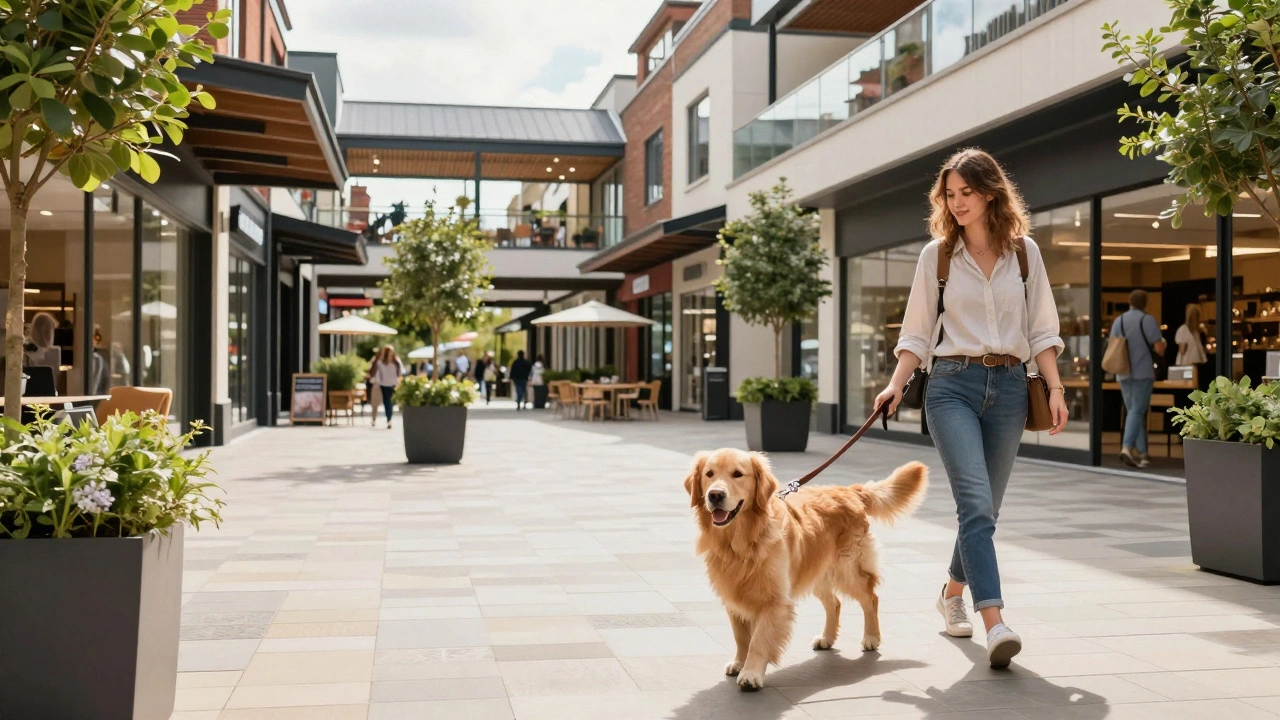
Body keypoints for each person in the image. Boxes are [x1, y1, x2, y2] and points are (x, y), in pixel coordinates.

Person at [874, 148, 1067, 669]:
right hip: (951, 388)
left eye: (967, 193)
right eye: (950, 195)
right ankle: (995, 621)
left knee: (987, 510)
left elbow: (1042, 327)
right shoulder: (935, 257)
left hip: (1008, 387)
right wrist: (894, 385)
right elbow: (915, 333)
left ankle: (951, 592)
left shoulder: (1024, 253)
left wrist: (1054, 387)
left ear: (990, 193)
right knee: (976, 506)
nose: (957, 203)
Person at [1110, 289, 1167, 468]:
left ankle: (1143, 453)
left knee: (1134, 411)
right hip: (1142, 372)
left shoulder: (1119, 320)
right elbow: (1159, 347)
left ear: (1130, 302)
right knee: (1137, 410)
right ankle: (1126, 447)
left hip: (1122, 372)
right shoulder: (1147, 320)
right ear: (1145, 303)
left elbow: (1113, 343)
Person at [368, 345, 404, 429]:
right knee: (389, 402)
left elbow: (377, 374)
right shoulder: (395, 362)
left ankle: (389, 419)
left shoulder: (382, 362)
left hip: (385, 384)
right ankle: (389, 419)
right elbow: (399, 373)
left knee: (387, 402)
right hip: (391, 384)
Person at [1175, 303, 1208, 378]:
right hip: (1186, 364)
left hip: (1195, 363)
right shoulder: (1183, 330)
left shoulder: (1196, 332)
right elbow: (1182, 350)